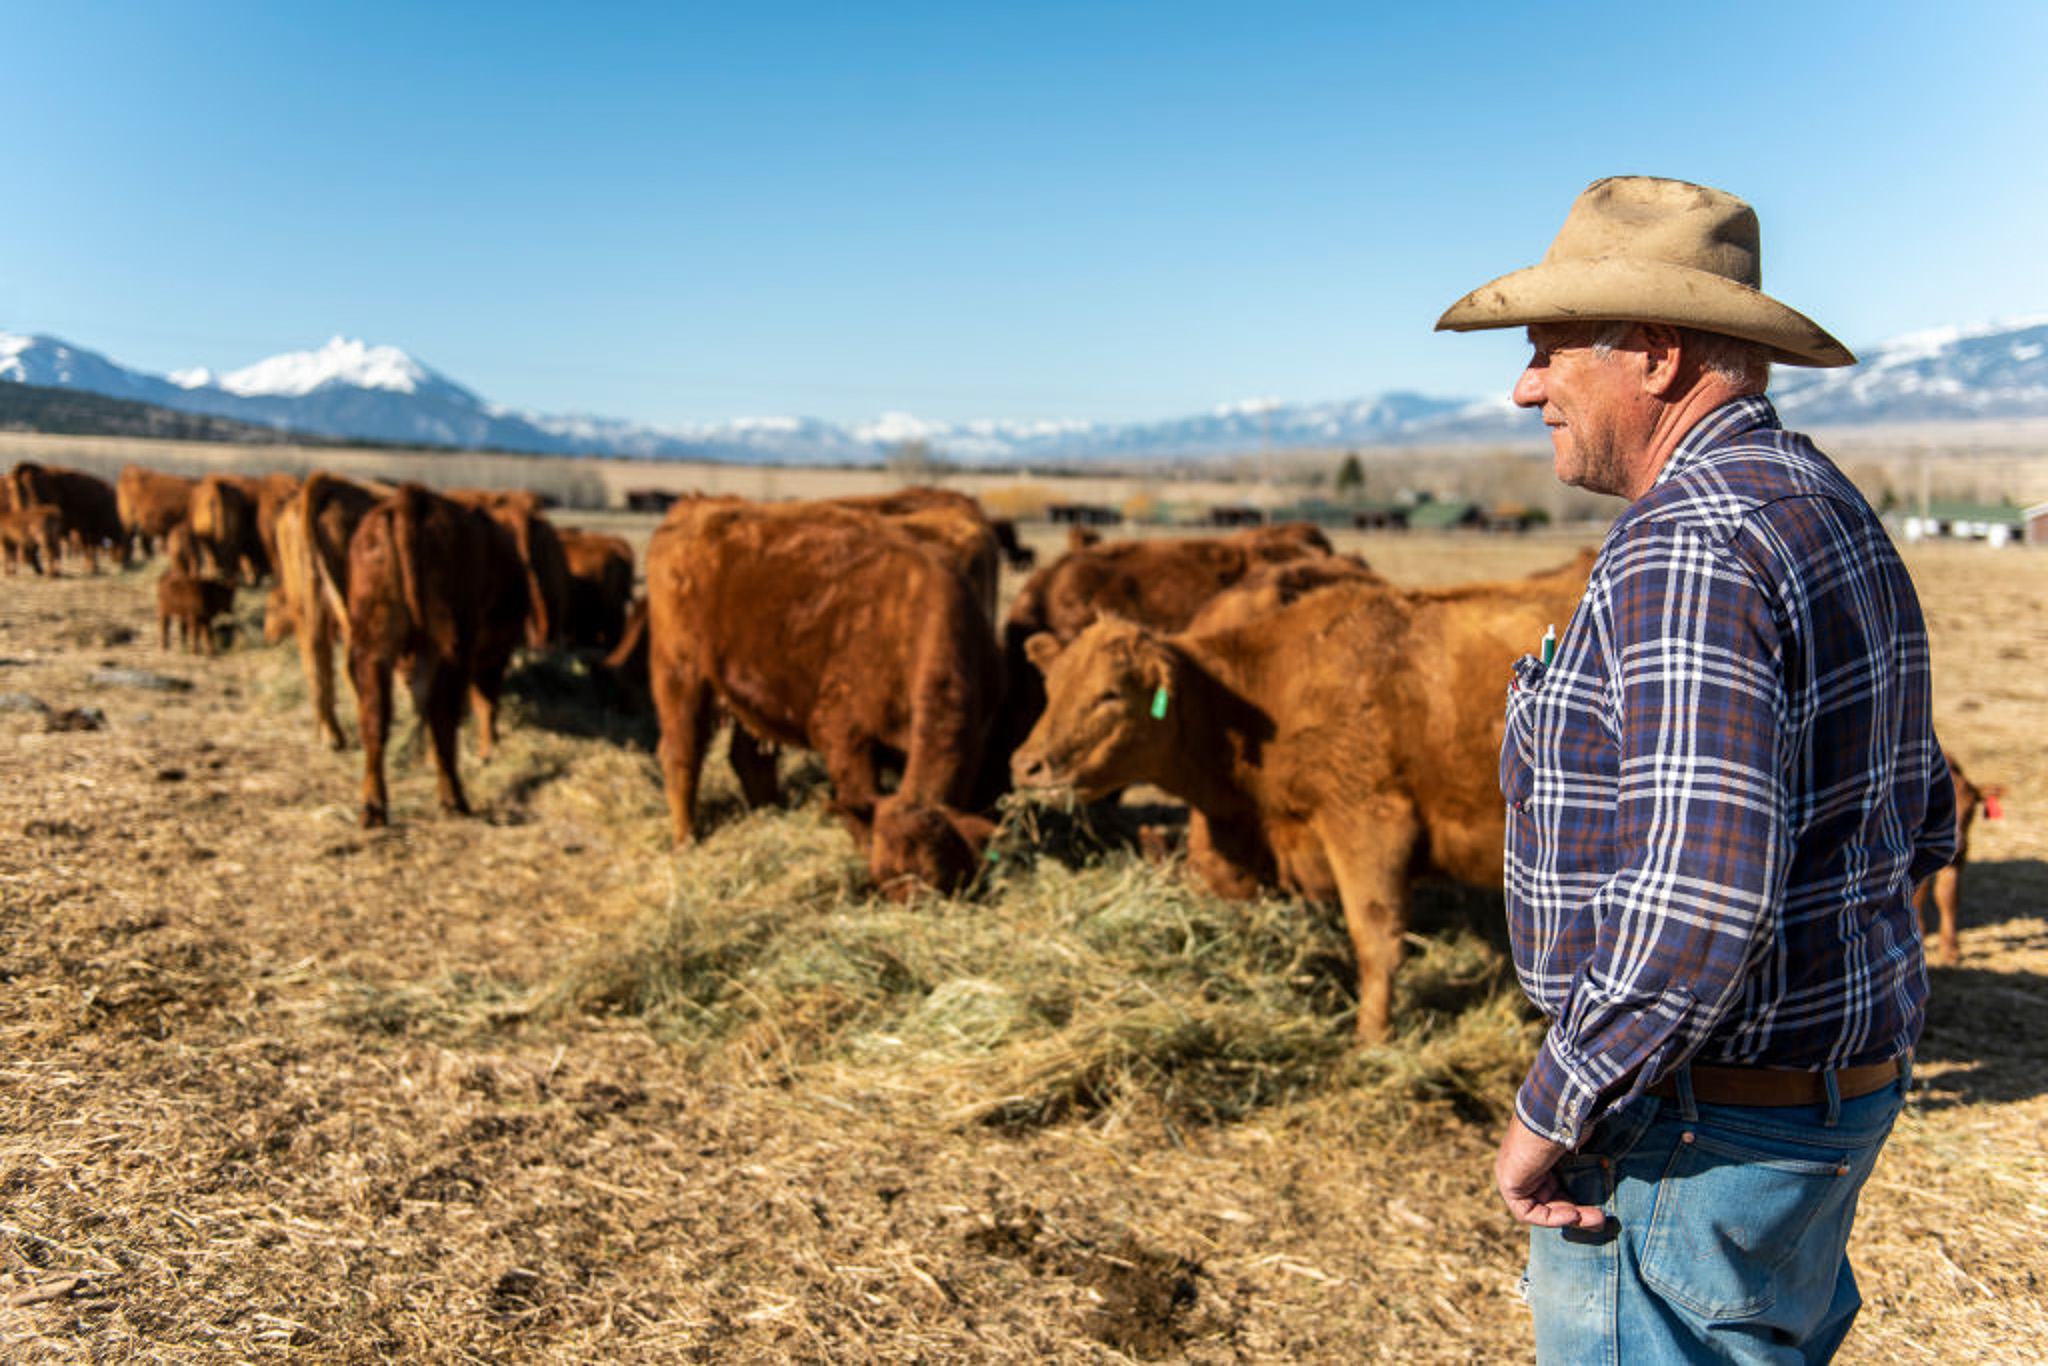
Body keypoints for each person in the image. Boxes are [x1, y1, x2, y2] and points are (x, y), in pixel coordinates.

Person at [1435, 176, 1957, 1362]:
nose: (1524, 386)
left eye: (1547, 352)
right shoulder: (1819, 503)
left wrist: (1552, 1103)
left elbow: (1692, 902)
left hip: (1690, 1129)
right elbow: (1918, 806)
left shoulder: (1688, 543)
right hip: (1817, 1105)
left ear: (1657, 355)